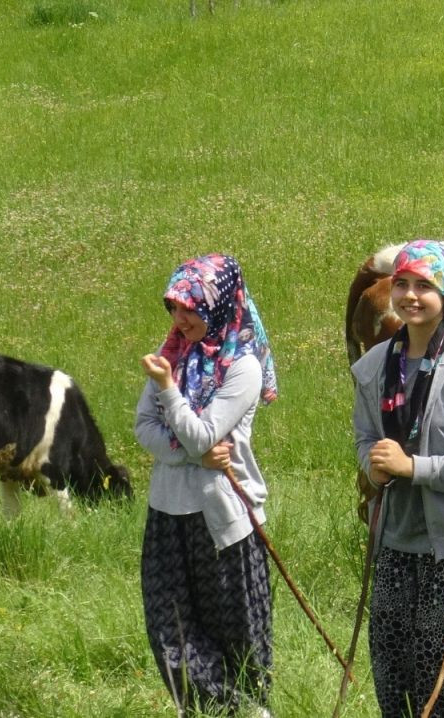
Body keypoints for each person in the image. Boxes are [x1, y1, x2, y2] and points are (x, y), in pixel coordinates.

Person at [351, 240, 444, 717]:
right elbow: (364, 439)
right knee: (394, 672)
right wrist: (372, 466)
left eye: (424, 286)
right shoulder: (374, 366)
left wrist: (411, 468)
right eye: (402, 284)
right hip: (397, 538)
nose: (411, 296)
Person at [135, 253, 279, 717]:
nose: (181, 318)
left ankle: (248, 711)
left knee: (235, 632)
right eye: (174, 307)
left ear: (219, 306)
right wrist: (190, 452)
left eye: (191, 307)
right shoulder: (172, 355)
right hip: (167, 511)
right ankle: (202, 710)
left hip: (222, 517)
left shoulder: (243, 367)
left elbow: (202, 432)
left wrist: (169, 392)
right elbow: (143, 429)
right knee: (170, 629)